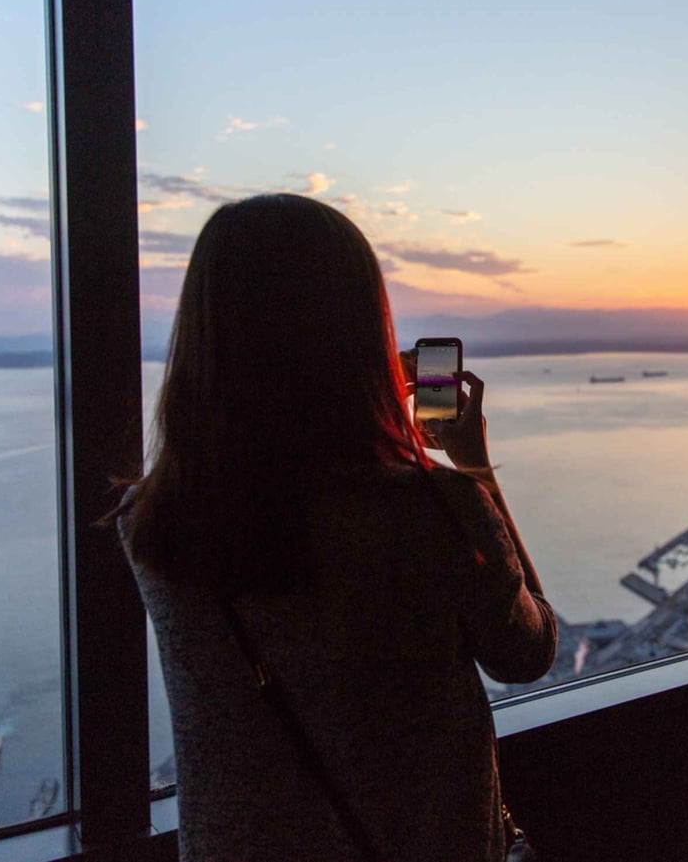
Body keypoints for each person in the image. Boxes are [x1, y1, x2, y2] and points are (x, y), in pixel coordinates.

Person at [115, 193, 557, 861]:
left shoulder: (152, 522)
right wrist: (473, 467)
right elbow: (527, 649)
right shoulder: (431, 508)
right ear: (357, 337)